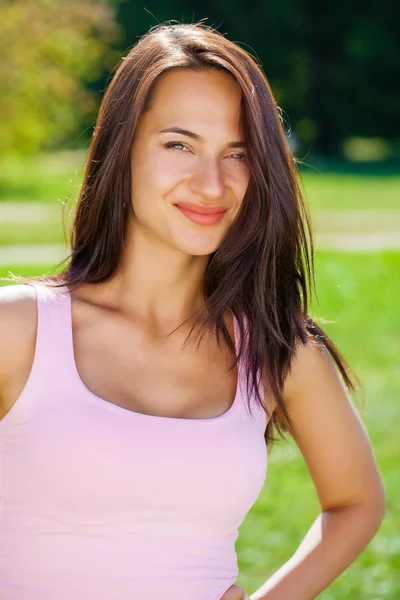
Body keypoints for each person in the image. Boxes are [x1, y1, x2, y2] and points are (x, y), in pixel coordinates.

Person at [0, 22, 385, 600]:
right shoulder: (19, 331)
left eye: (237, 153)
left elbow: (357, 502)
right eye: (179, 144)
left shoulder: (276, 351)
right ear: (121, 149)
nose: (211, 183)